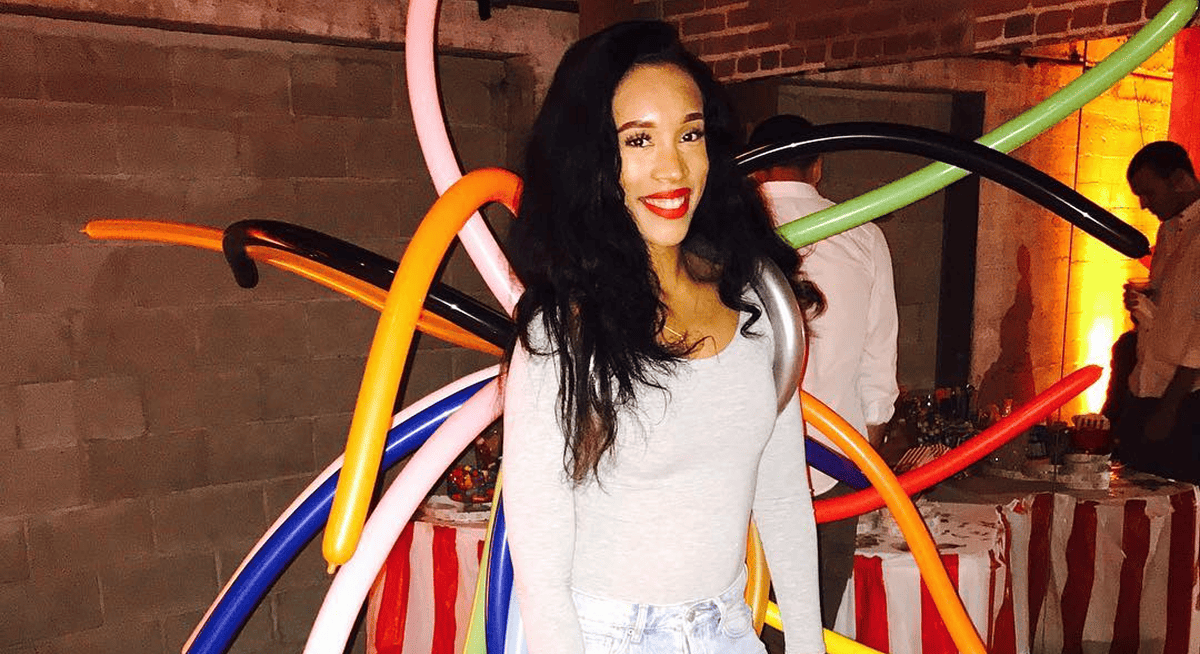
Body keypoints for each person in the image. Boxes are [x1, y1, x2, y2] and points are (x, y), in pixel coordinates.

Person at [501, 21, 828, 654]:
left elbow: (784, 496)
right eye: (639, 140)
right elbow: (541, 569)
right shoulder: (562, 330)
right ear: (594, 159)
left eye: (689, 134)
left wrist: (809, 645)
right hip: (600, 636)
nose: (672, 168)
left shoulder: (755, 305)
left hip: (726, 628)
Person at [748, 115, 900, 626]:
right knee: (813, 624)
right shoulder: (864, 234)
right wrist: (864, 458)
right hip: (836, 461)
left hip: (741, 464)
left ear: (753, 169)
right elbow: (879, 365)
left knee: (738, 617)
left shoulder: (722, 236)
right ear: (817, 166)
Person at [1115, 141, 1200, 483]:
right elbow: (1174, 309)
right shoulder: (1168, 229)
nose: (1144, 204)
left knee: (1179, 496)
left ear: (1180, 180)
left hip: (1186, 397)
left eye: (1149, 192)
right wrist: (1144, 306)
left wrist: (1170, 407)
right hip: (1148, 384)